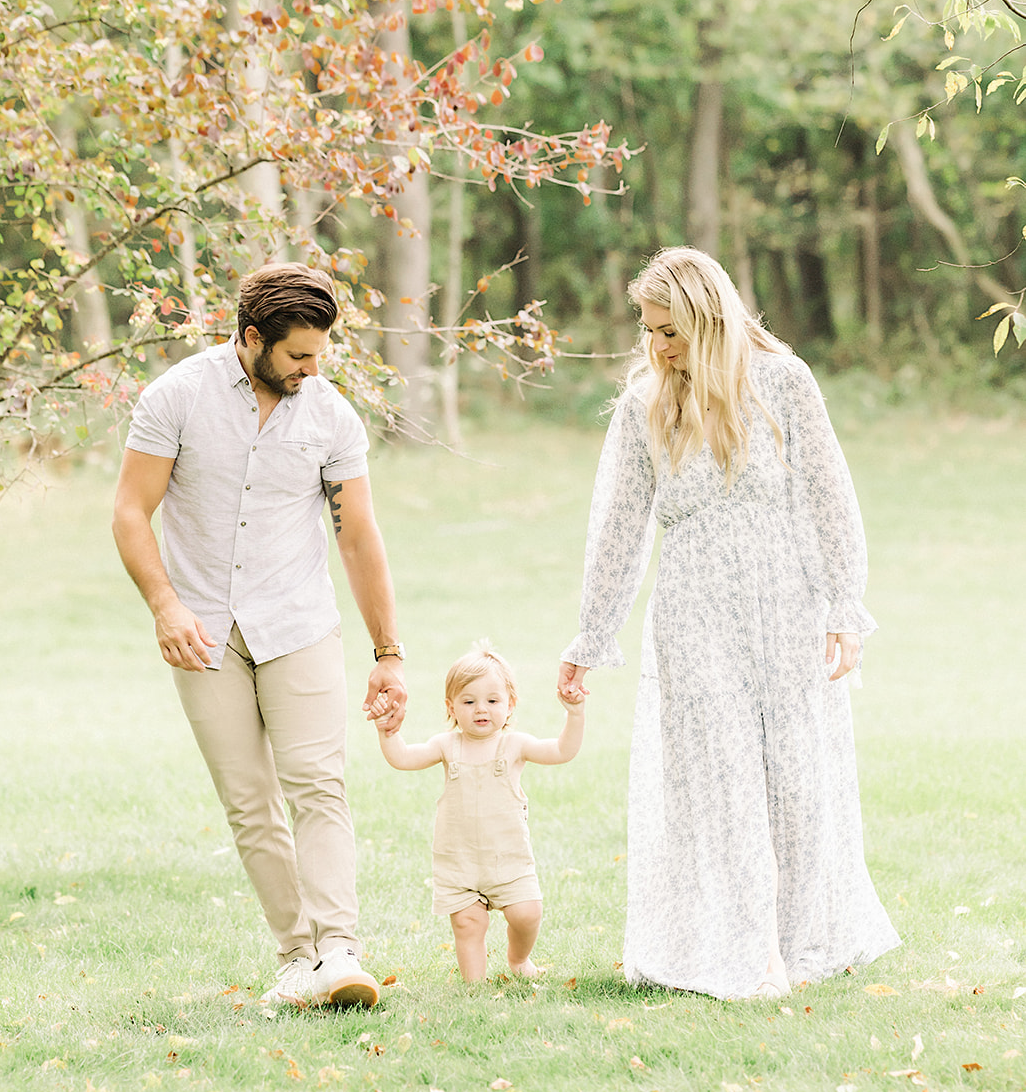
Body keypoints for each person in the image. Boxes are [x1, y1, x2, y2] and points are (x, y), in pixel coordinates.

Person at [558, 247, 899, 1001]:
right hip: (692, 612)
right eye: (647, 331)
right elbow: (617, 527)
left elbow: (827, 496)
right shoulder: (643, 402)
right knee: (721, 781)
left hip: (785, 602)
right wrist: (591, 635)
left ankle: (794, 936)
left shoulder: (783, 382)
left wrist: (843, 605)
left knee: (794, 778)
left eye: (670, 329)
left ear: (710, 316)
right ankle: (748, 956)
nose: (657, 346)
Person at [112, 262, 407, 1008]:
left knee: (319, 786)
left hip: (298, 622)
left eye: (320, 354)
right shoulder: (176, 396)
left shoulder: (330, 415)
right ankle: (296, 958)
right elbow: (128, 512)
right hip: (203, 631)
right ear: (251, 339)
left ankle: (339, 951)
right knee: (248, 801)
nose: (313, 369)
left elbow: (358, 536)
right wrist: (165, 606)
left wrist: (388, 652)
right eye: (298, 355)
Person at [371, 645, 585, 981]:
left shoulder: (514, 745)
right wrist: (388, 732)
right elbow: (403, 759)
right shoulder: (446, 746)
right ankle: (474, 986)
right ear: (451, 707)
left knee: (527, 914)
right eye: (469, 702)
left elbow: (562, 750)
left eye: (492, 701)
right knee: (468, 924)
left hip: (509, 860)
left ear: (510, 704)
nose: (480, 709)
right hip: (460, 863)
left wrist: (574, 714)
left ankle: (518, 960)